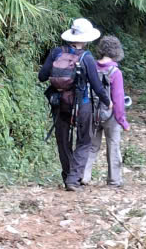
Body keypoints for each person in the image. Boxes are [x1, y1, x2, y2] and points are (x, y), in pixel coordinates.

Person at [38, 18, 112, 192]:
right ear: (86, 39)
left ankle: (67, 176)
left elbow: (42, 76)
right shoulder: (87, 57)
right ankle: (73, 180)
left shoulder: (56, 52)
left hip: (59, 103)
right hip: (81, 104)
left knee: (63, 140)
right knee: (84, 140)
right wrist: (108, 102)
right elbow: (97, 86)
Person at [82, 35, 130, 188]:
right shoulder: (115, 72)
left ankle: (83, 176)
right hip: (111, 116)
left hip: (92, 112)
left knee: (91, 146)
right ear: (117, 51)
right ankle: (114, 180)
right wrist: (123, 121)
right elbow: (118, 99)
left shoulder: (92, 67)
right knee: (113, 146)